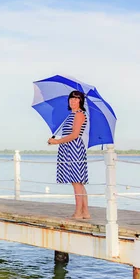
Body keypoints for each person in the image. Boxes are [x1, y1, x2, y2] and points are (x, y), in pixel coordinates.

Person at [47, 90, 89, 219]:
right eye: (71, 98)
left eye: (76, 99)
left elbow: (75, 135)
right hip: (67, 148)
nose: (73, 101)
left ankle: (78, 212)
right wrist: (55, 140)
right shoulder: (70, 115)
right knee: (77, 182)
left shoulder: (79, 115)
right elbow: (67, 134)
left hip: (74, 148)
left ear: (81, 101)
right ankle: (85, 212)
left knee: (77, 181)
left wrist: (57, 141)